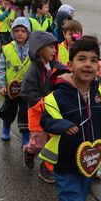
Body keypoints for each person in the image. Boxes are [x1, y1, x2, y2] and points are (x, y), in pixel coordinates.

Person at [39, 36, 101, 201]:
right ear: (71, 65)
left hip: (90, 163)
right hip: (65, 163)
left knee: (78, 200)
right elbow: (45, 120)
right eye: (82, 59)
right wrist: (62, 125)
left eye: (94, 60)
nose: (88, 65)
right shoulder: (57, 95)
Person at [21, 31, 64, 182]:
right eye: (51, 47)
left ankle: (46, 169)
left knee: (53, 141)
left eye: (55, 47)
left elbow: (65, 73)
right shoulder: (33, 71)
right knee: (39, 143)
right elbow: (28, 92)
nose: (54, 50)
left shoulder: (54, 65)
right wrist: (42, 103)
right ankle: (29, 151)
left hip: (53, 111)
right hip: (37, 112)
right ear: (40, 49)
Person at [0, 17, 32, 142]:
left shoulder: (33, 49)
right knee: (8, 110)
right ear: (12, 32)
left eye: (23, 30)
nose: (19, 33)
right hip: (10, 88)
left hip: (27, 89)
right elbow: (1, 68)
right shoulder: (7, 48)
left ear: (28, 32)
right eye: (16, 30)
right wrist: (2, 85)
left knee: (25, 113)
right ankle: (6, 128)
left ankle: (26, 137)